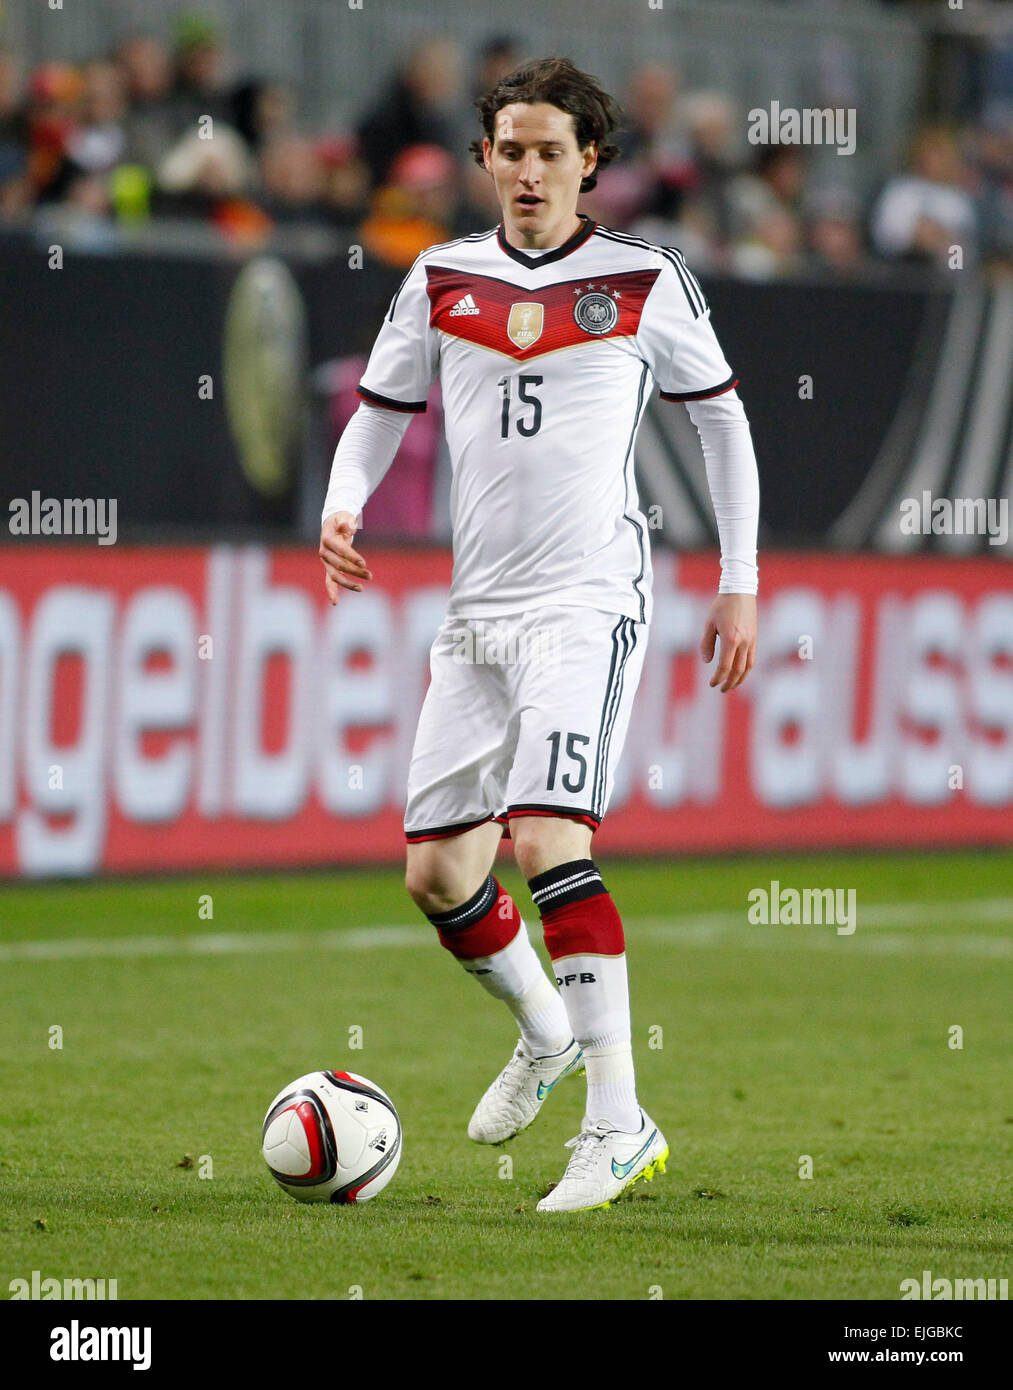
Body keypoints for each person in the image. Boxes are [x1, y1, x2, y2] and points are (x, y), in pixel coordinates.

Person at [319, 57, 759, 1213]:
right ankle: (546, 1030)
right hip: (478, 615)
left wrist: (738, 581)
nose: (525, 169)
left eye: (547, 150)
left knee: (544, 838)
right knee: (435, 871)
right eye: (507, 149)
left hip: (586, 599)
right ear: (485, 160)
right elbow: (376, 411)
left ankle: (617, 1123)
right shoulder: (441, 277)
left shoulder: (641, 276)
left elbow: (722, 424)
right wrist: (341, 500)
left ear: (588, 163)